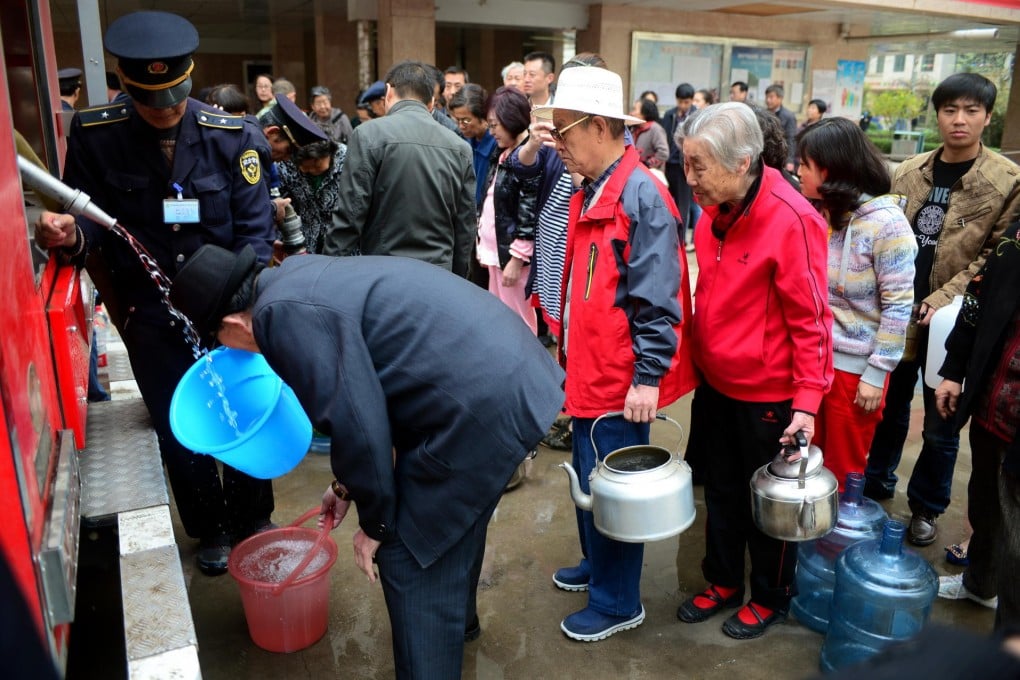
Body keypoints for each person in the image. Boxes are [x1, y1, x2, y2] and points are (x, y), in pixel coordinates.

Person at [168, 245, 564, 679]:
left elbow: (357, 421)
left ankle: (434, 653)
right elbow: (375, 389)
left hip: (481, 401)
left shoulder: (280, 319)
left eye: (217, 341)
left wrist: (375, 526)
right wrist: (345, 486)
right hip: (506, 364)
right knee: (452, 524)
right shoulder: (291, 278)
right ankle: (459, 624)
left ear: (230, 325)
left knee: (407, 558)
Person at [32, 10, 277, 576]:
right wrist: (70, 234)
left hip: (228, 312)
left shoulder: (230, 135)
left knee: (240, 410)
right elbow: (92, 218)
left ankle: (250, 516)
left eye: (174, 98)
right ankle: (209, 527)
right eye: (151, 101)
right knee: (178, 424)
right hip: (150, 314)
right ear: (125, 86)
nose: (165, 110)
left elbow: (256, 233)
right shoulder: (97, 136)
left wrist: (240, 308)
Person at [532, 65, 698, 642]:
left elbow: (658, 298)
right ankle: (597, 567)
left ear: (600, 127)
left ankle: (617, 600)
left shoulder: (641, 195)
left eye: (565, 134)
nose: (559, 148)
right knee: (588, 479)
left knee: (615, 489)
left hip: (621, 381)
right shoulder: (593, 188)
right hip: (589, 370)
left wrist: (648, 377)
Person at [676, 102, 832, 639]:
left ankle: (770, 595)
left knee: (768, 501)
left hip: (769, 395)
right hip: (717, 386)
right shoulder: (712, 207)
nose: (688, 178)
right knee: (719, 489)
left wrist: (807, 404)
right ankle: (722, 581)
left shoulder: (793, 220)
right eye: (686, 163)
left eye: (699, 167)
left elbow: (813, 322)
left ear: (742, 162)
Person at [864, 73, 1020, 547]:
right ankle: (875, 487)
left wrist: (942, 296)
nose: (959, 120)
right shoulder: (908, 170)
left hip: (954, 320)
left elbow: (993, 256)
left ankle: (927, 507)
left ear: (988, 118)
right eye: (950, 109)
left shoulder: (1004, 181)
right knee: (888, 409)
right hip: (897, 312)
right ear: (937, 114)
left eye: (971, 111)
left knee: (940, 423)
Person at [796, 117, 917, 490]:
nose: (797, 171)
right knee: (807, 461)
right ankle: (809, 542)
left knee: (843, 471)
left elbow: (899, 308)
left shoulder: (887, 226)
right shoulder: (826, 215)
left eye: (804, 164)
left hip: (855, 373)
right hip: (816, 365)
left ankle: (835, 547)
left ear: (830, 168)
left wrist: (876, 373)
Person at [934, 211, 1020, 619]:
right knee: (984, 503)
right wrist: (954, 370)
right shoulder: (1017, 232)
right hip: (991, 401)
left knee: (1017, 540)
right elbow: (977, 296)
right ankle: (978, 585)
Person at [323, 61, 475, 277]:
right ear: (432, 102)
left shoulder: (368, 134)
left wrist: (330, 270)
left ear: (388, 92)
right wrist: (458, 278)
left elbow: (350, 214)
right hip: (440, 274)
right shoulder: (460, 147)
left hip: (385, 272)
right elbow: (465, 226)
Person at [477, 86, 539, 333]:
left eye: (495, 125)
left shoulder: (527, 154)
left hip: (513, 257)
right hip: (498, 252)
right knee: (502, 320)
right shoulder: (504, 151)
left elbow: (529, 209)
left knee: (518, 323)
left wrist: (517, 257)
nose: (491, 132)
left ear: (511, 119)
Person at [277, 138, 347, 254]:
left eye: (317, 164)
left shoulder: (348, 160)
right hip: (305, 239)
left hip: (342, 240)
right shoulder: (287, 163)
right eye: (305, 167)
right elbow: (285, 203)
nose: (311, 170)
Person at [448, 84, 497, 212]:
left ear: (483, 116)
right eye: (457, 120)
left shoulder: (496, 143)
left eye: (465, 120)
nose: (461, 126)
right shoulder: (465, 141)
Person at [661, 83, 696, 241]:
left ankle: (680, 239)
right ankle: (667, 236)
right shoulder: (670, 115)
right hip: (669, 164)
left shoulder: (697, 116)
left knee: (683, 205)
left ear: (691, 100)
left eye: (686, 102)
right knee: (666, 202)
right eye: (680, 101)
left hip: (685, 166)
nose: (683, 105)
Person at [764, 84, 798, 172]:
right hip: (764, 156)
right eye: (767, 97)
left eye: (771, 97)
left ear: (780, 98)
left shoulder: (788, 116)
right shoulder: (763, 114)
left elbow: (791, 139)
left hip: (780, 158)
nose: (768, 100)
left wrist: (790, 160)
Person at [630, 98, 669, 170]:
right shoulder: (633, 128)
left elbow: (663, 153)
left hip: (650, 175)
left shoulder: (655, 129)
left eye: (634, 109)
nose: (631, 113)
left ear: (644, 113)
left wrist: (646, 165)